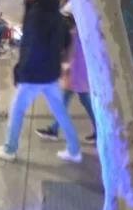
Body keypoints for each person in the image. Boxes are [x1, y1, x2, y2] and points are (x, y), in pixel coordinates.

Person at [0, 0, 80, 163]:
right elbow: (65, 40)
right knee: (59, 111)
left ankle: (9, 148)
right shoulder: (55, 14)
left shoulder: (34, 15)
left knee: (16, 109)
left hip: (33, 73)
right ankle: (74, 149)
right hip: (50, 72)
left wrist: (21, 69)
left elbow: (30, 46)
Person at [34, 9, 97, 144]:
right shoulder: (82, 30)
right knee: (67, 100)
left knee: (82, 100)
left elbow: (71, 53)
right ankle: (53, 128)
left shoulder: (74, 33)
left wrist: (65, 65)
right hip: (78, 71)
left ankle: (99, 130)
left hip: (76, 71)